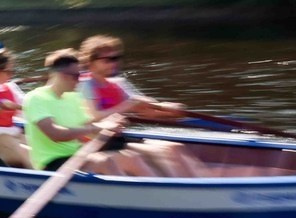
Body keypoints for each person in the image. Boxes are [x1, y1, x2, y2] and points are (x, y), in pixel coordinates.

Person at [78, 35, 206, 177]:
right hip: (94, 145)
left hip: (116, 140)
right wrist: (127, 105)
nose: (114, 63)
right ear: (90, 62)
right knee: (133, 158)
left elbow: (143, 109)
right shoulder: (85, 85)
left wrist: (167, 110)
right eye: (108, 60)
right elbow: (94, 116)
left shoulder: (115, 84)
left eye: (117, 58)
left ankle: (197, 184)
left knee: (172, 148)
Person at [22, 49, 142, 175]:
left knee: (132, 158)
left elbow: (88, 129)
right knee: (104, 162)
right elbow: (55, 134)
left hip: (75, 156)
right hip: (52, 162)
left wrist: (112, 126)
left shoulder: (73, 97)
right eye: (77, 76)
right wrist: (98, 127)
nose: (80, 81)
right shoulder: (36, 98)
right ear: (62, 76)